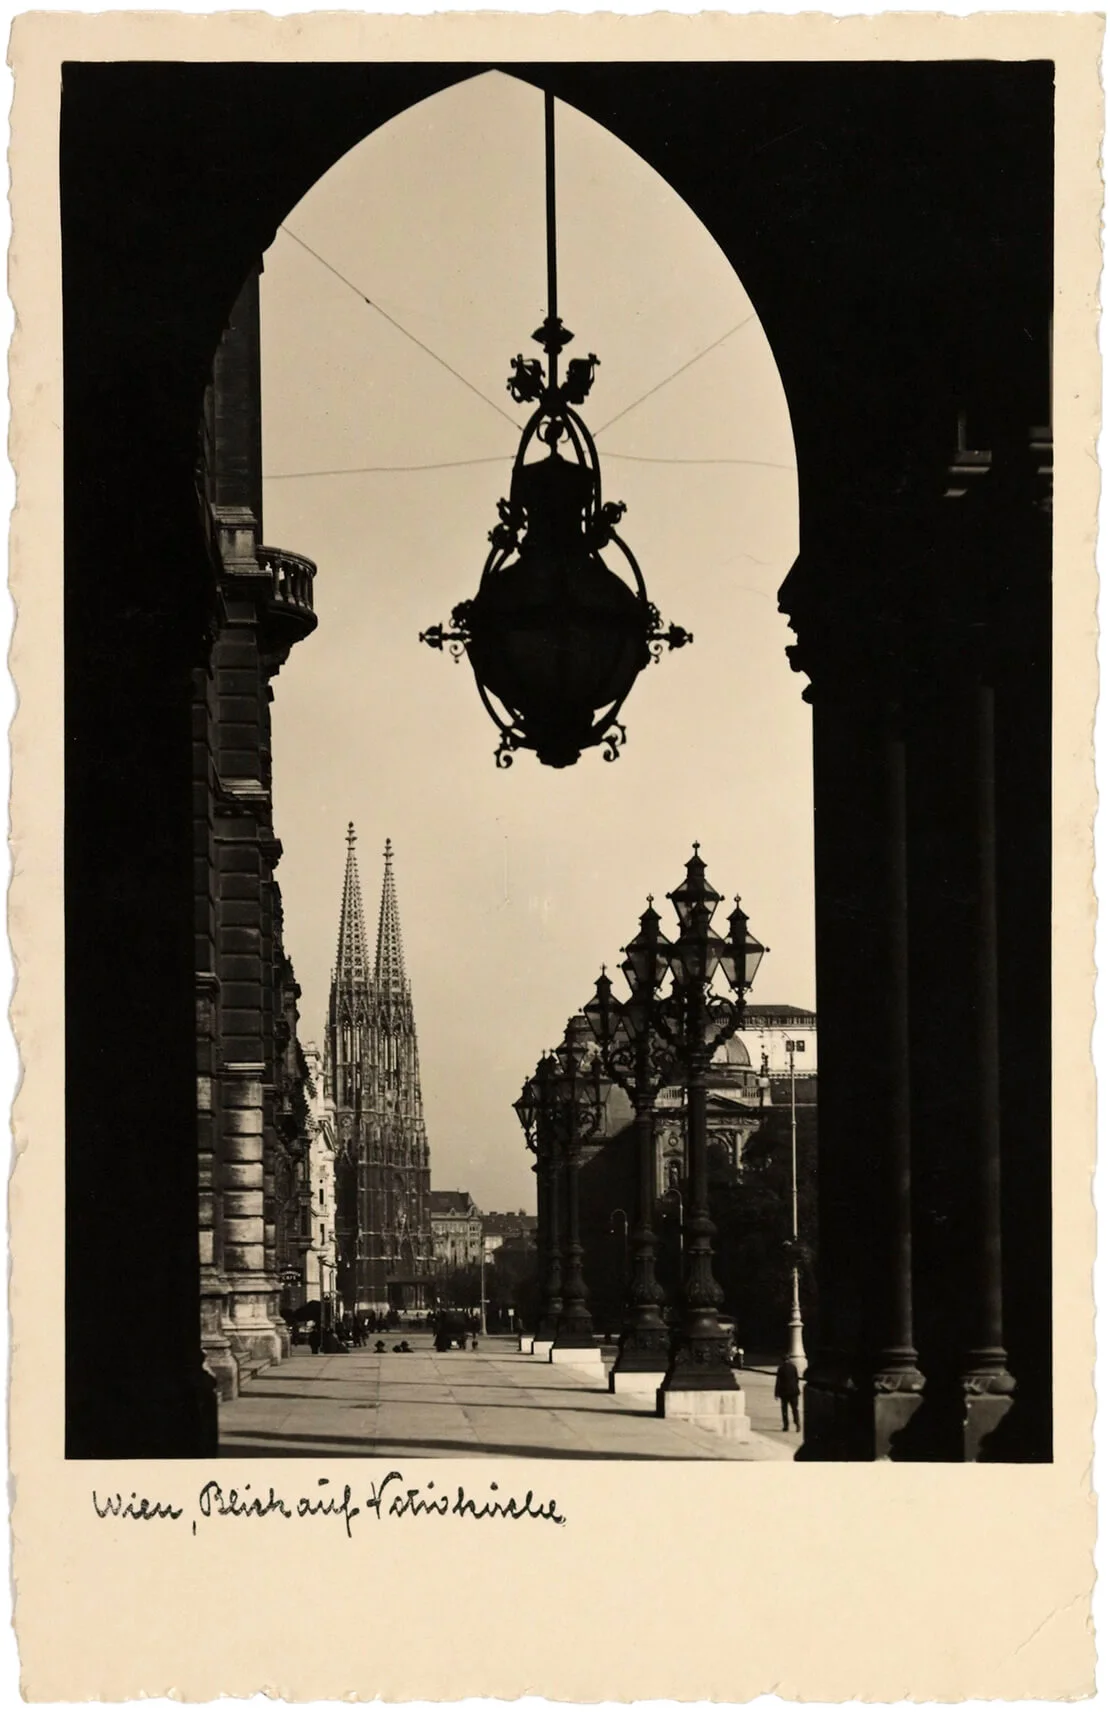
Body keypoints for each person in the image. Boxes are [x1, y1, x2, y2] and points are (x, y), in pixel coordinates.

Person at [774, 1355, 801, 1431]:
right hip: (794, 1392)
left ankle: (786, 1426)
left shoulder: (780, 1368)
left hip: (784, 1392)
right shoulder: (793, 1367)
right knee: (795, 1409)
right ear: (789, 1360)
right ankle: (797, 1424)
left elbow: (778, 1382)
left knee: (784, 1410)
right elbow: (797, 1379)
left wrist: (776, 1393)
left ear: (782, 1360)